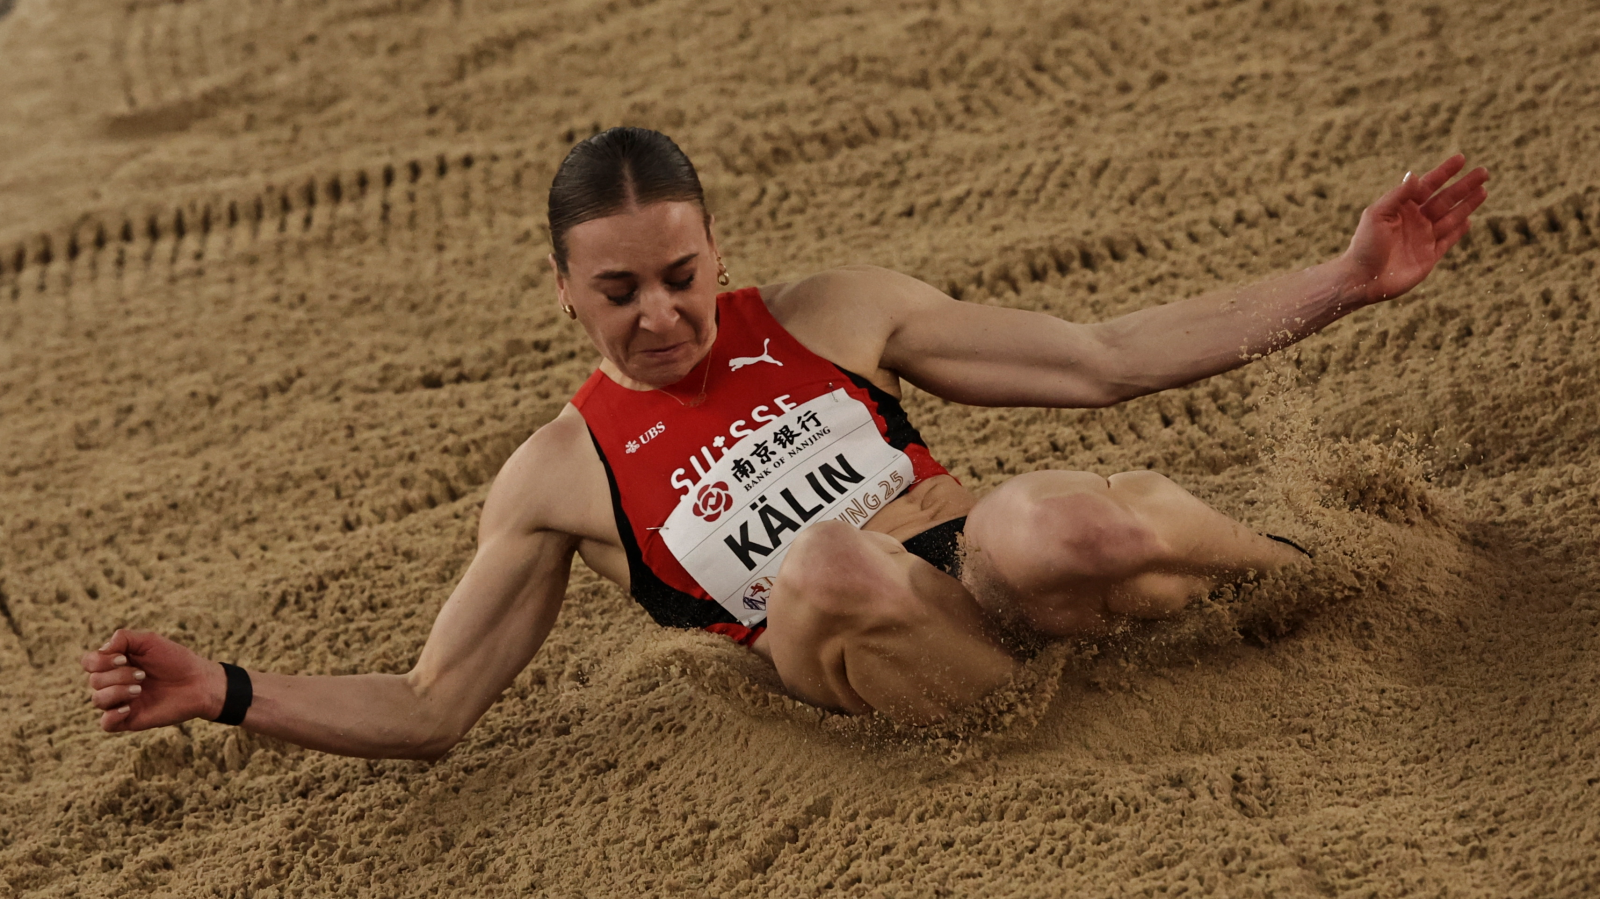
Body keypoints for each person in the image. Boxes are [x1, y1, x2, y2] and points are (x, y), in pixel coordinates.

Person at [82, 128, 1488, 750]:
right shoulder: (556, 474)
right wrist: (229, 688)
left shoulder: (833, 311)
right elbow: (436, 705)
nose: (660, 316)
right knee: (824, 563)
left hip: (990, 574)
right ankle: (1032, 724)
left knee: (1062, 523)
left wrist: (1341, 278)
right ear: (567, 291)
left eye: (681, 276)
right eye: (619, 291)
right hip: (862, 652)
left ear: (714, 253)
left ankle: (1311, 564)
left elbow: (1102, 359)